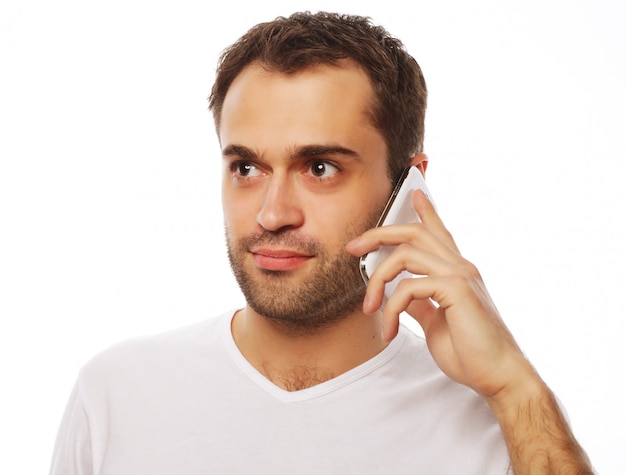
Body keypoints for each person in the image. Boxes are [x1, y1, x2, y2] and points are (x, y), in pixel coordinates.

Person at [50, 11, 593, 474]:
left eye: (320, 166)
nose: (271, 213)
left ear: (410, 185)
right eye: (246, 167)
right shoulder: (117, 396)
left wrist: (514, 388)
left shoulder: (507, 423)